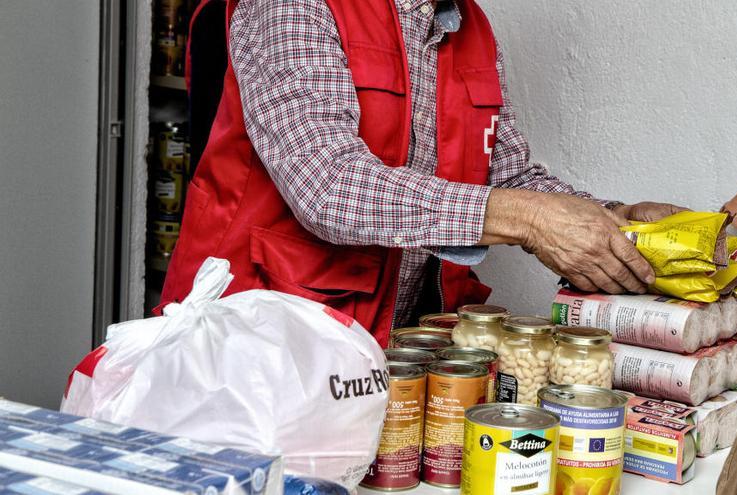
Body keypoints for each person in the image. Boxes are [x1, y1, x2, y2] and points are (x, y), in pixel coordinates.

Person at [159, 0, 685, 346]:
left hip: (381, 354)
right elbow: (328, 187)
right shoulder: (295, 5)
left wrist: (615, 219)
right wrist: (529, 219)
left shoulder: (469, 26)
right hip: (252, 342)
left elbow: (505, 174)